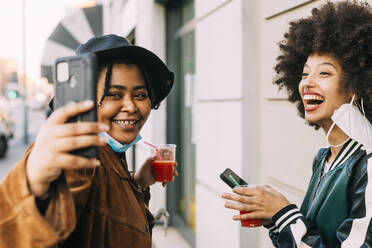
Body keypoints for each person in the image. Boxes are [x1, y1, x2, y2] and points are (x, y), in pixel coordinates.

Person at [0, 34, 175, 248]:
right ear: (84, 102)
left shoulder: (111, 153)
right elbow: (20, 235)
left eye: (139, 95)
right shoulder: (75, 156)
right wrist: (34, 181)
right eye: (113, 94)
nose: (130, 106)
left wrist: (137, 182)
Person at [222, 1, 372, 247]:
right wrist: (274, 218)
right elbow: (314, 235)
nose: (307, 83)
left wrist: (283, 213)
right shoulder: (324, 157)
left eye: (324, 73)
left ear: (356, 85)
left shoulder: (368, 163)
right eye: (304, 74)